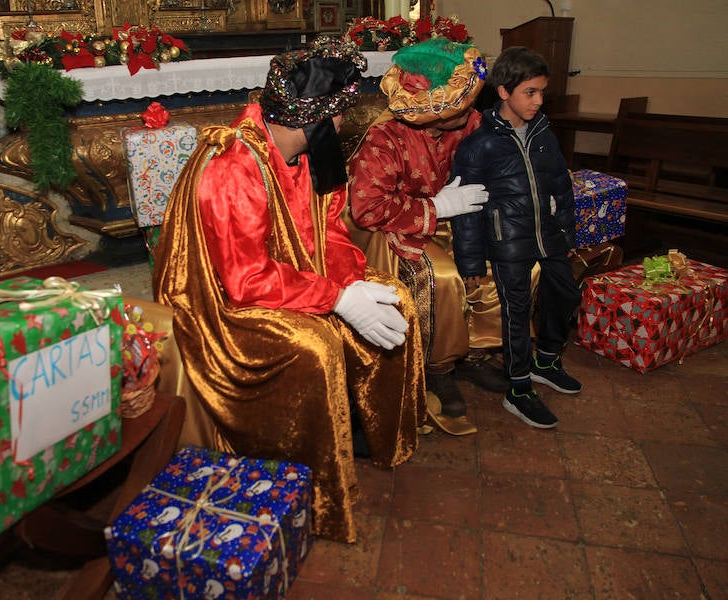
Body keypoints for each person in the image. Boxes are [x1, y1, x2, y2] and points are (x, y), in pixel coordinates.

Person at [152, 36, 431, 544]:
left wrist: (352, 285)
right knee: (315, 347)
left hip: (294, 281)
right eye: (340, 114)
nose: (344, 124)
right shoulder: (232, 169)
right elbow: (245, 280)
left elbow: (330, 234)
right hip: (224, 307)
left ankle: (370, 433)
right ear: (316, 118)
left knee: (394, 297)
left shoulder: (310, 152)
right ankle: (311, 486)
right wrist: (338, 301)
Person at [348, 37, 515, 433]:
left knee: (511, 257)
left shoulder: (471, 122)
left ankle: (474, 352)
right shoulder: (384, 138)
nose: (471, 112)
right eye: (461, 106)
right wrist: (438, 208)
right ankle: (438, 367)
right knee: (442, 277)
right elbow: (367, 209)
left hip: (456, 220)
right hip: (391, 227)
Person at [450, 46, 583, 429]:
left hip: (547, 235)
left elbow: (561, 185)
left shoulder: (544, 133)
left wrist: (568, 230)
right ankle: (519, 388)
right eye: (531, 92)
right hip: (507, 240)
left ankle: (547, 360)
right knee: (516, 313)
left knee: (566, 292)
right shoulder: (479, 145)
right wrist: (472, 261)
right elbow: (467, 207)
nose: (539, 101)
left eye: (542, 92)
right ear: (505, 92)